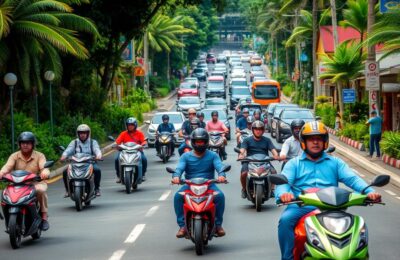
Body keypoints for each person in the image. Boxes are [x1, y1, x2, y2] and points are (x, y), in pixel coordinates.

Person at [276, 121, 382, 260]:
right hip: (301, 205)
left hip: (332, 207)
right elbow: (283, 182)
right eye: (311, 139)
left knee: (358, 226)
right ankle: (287, 257)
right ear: (304, 142)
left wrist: (370, 192)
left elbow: (353, 179)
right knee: (285, 220)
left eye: (319, 138)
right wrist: (284, 194)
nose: (315, 142)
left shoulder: (335, 162)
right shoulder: (294, 163)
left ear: (325, 141)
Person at [172, 128, 227, 238]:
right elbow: (179, 168)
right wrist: (176, 176)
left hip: (209, 185)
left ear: (206, 142)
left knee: (220, 196)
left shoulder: (213, 155)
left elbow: (220, 167)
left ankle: (218, 225)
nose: (200, 144)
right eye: (197, 141)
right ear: (193, 142)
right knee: (177, 197)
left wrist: (222, 175)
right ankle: (182, 226)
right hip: (189, 185)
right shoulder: (185, 156)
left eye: (202, 141)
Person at [0, 132, 51, 231]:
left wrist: (45, 172)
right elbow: (7, 166)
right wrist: (1, 172)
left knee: (41, 191)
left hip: (35, 183)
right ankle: (8, 217)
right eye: (23, 142)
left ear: (32, 144)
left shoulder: (39, 156)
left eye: (28, 142)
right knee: (5, 193)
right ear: (19, 144)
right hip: (17, 184)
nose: (25, 145)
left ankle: (44, 217)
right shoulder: (14, 156)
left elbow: (44, 166)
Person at [238, 120, 279, 198]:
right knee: (243, 174)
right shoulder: (247, 140)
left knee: (274, 172)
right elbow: (242, 150)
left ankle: (272, 189)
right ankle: (244, 189)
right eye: (256, 129)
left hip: (264, 161)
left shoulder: (267, 140)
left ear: (263, 130)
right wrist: (241, 155)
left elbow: (273, 150)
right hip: (249, 161)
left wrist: (276, 155)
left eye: (260, 129)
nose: (258, 131)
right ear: (253, 130)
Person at [61, 124, 102, 197]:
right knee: (65, 172)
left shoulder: (93, 142)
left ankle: (97, 188)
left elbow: (97, 150)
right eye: (80, 133)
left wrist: (98, 156)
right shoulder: (74, 142)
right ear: (78, 134)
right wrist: (64, 156)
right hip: (75, 163)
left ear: (88, 133)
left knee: (97, 170)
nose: (82, 135)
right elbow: (68, 150)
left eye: (84, 133)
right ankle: (68, 190)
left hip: (90, 163)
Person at [114, 117, 148, 181]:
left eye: (132, 125)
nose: (130, 126)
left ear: (135, 125)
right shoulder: (123, 133)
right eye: (128, 125)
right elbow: (118, 141)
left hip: (137, 151)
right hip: (124, 151)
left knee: (144, 159)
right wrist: (116, 145)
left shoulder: (139, 133)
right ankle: (118, 175)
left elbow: (143, 141)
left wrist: (143, 144)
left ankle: (143, 174)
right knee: (116, 159)